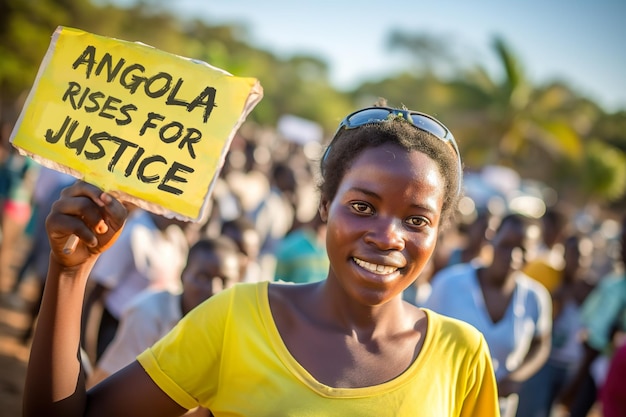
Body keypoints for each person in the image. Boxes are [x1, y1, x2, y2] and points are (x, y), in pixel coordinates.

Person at [23, 103, 500, 416]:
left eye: (417, 219)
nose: (387, 236)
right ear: (322, 207)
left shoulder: (463, 355)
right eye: (362, 207)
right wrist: (70, 273)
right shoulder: (238, 318)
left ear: (439, 232)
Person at [423, 213, 553, 417]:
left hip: (496, 406)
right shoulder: (449, 283)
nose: (513, 256)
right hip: (442, 398)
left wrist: (516, 378)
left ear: (535, 252)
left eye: (523, 249)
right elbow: (420, 332)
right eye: (506, 244)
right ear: (492, 238)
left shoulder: (535, 298)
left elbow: (541, 344)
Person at [81, 207, 189, 362]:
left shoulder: (176, 238)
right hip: (114, 331)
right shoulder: (133, 233)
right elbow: (96, 294)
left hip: (150, 337)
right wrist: (87, 350)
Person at [557, 215, 626, 417]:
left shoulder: (617, 289)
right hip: (596, 367)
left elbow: (600, 340)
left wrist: (576, 383)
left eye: (624, 242)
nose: (619, 248)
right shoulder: (614, 284)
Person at [515, 235, 591, 417]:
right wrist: (558, 299)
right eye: (574, 254)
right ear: (564, 255)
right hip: (545, 362)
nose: (578, 261)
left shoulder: (589, 291)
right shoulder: (551, 283)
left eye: (583, 256)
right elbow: (540, 327)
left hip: (571, 366)